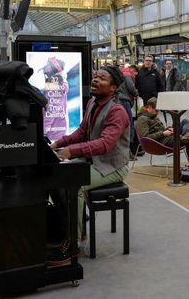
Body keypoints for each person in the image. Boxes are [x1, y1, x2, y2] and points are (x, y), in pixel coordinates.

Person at [48, 66, 130, 264]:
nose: (95, 80)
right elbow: (82, 132)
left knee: (75, 186)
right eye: (95, 76)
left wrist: (72, 151)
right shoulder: (93, 102)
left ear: (113, 88)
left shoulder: (117, 111)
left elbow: (105, 144)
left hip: (113, 166)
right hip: (94, 161)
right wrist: (58, 143)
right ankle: (73, 227)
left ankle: (72, 246)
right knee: (56, 177)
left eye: (102, 78)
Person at [135, 97, 189, 167]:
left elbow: (160, 129)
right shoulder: (142, 119)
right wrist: (163, 133)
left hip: (165, 136)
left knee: (185, 122)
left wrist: (168, 129)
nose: (157, 113)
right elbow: (145, 137)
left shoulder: (153, 115)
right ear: (149, 107)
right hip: (160, 142)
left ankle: (187, 135)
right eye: (156, 111)